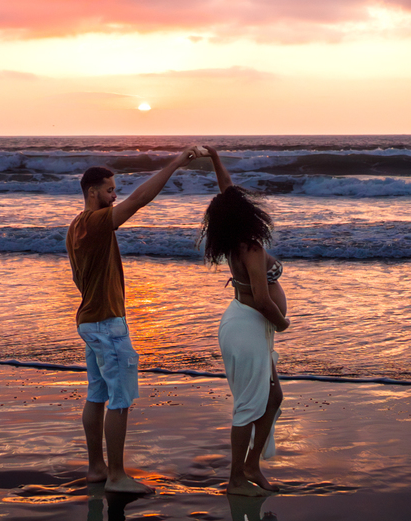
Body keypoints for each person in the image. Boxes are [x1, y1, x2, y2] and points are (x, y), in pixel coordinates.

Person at [67, 146, 199, 494]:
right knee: (120, 398)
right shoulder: (95, 222)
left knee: (97, 395)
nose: (115, 196)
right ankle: (116, 476)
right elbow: (140, 200)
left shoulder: (75, 226)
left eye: (115, 190)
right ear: (92, 192)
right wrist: (173, 164)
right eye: (110, 190)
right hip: (107, 323)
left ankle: (98, 468)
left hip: (89, 320)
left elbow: (78, 277)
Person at [198, 146, 289, 496]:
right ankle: (235, 479)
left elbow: (227, 192)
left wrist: (216, 158)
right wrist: (282, 324)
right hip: (249, 325)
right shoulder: (249, 246)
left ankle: (251, 465)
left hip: (249, 324)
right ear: (245, 213)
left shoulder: (235, 239)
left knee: (273, 397)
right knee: (250, 405)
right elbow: (263, 298)